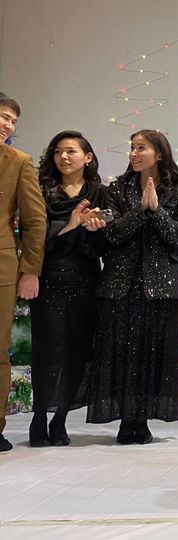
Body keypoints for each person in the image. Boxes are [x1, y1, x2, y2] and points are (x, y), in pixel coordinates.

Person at [86, 130, 178, 446]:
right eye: (132, 148)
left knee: (151, 353)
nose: (133, 153)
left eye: (141, 148)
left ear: (159, 154)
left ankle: (142, 419)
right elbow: (111, 235)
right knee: (121, 352)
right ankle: (126, 420)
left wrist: (156, 210)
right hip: (120, 282)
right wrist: (141, 210)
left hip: (161, 285)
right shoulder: (116, 189)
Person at [29, 131, 109, 447]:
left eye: (71, 151)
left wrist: (95, 229)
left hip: (86, 279)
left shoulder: (99, 193)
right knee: (47, 351)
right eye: (58, 151)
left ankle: (60, 418)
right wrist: (71, 225)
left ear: (87, 157)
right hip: (49, 278)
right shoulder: (42, 190)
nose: (63, 157)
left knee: (77, 350)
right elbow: (34, 236)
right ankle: (38, 417)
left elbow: (105, 245)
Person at [0, 92, 46, 453]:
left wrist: (30, 270)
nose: (7, 124)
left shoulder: (19, 162)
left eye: (13, 120)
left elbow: (35, 220)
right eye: (3, 116)